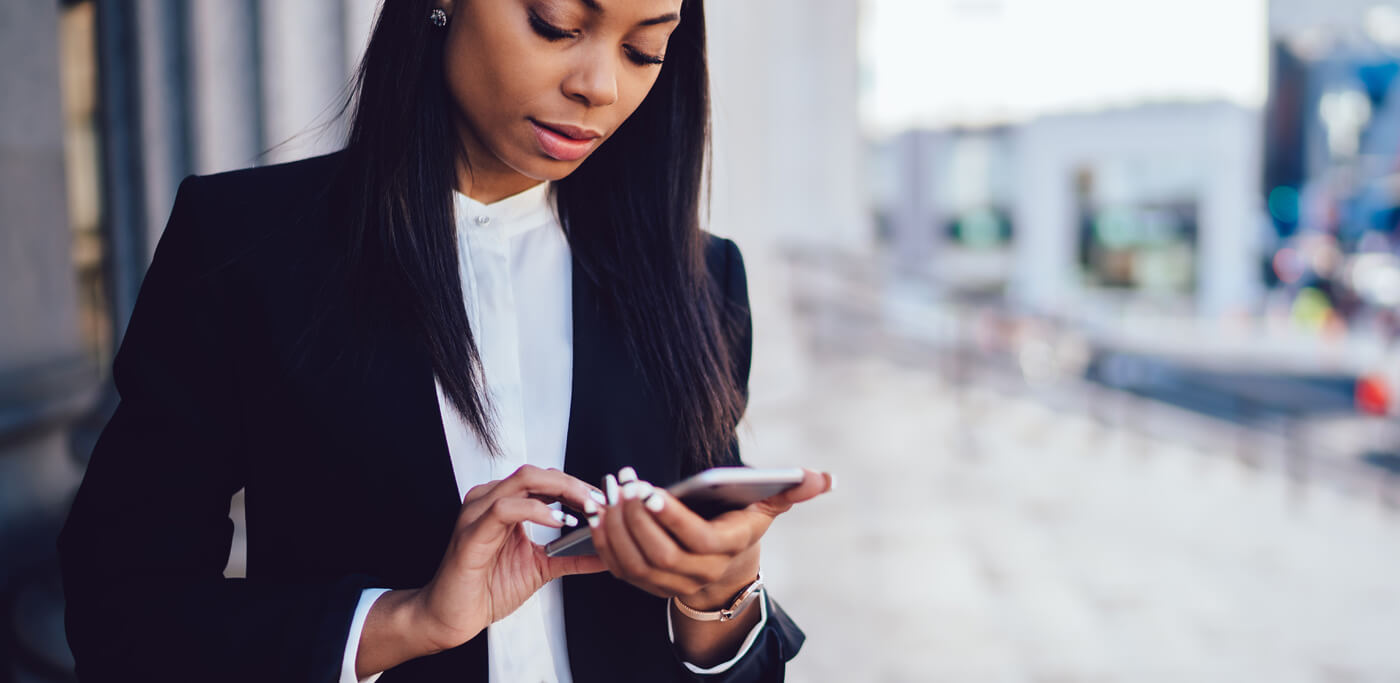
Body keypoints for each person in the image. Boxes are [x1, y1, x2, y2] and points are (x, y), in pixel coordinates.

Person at [56, 0, 834, 681]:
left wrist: (719, 594)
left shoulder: (699, 279)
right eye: (556, 25)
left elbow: (736, 660)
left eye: (643, 50)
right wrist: (402, 621)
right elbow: (121, 614)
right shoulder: (245, 247)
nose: (600, 86)